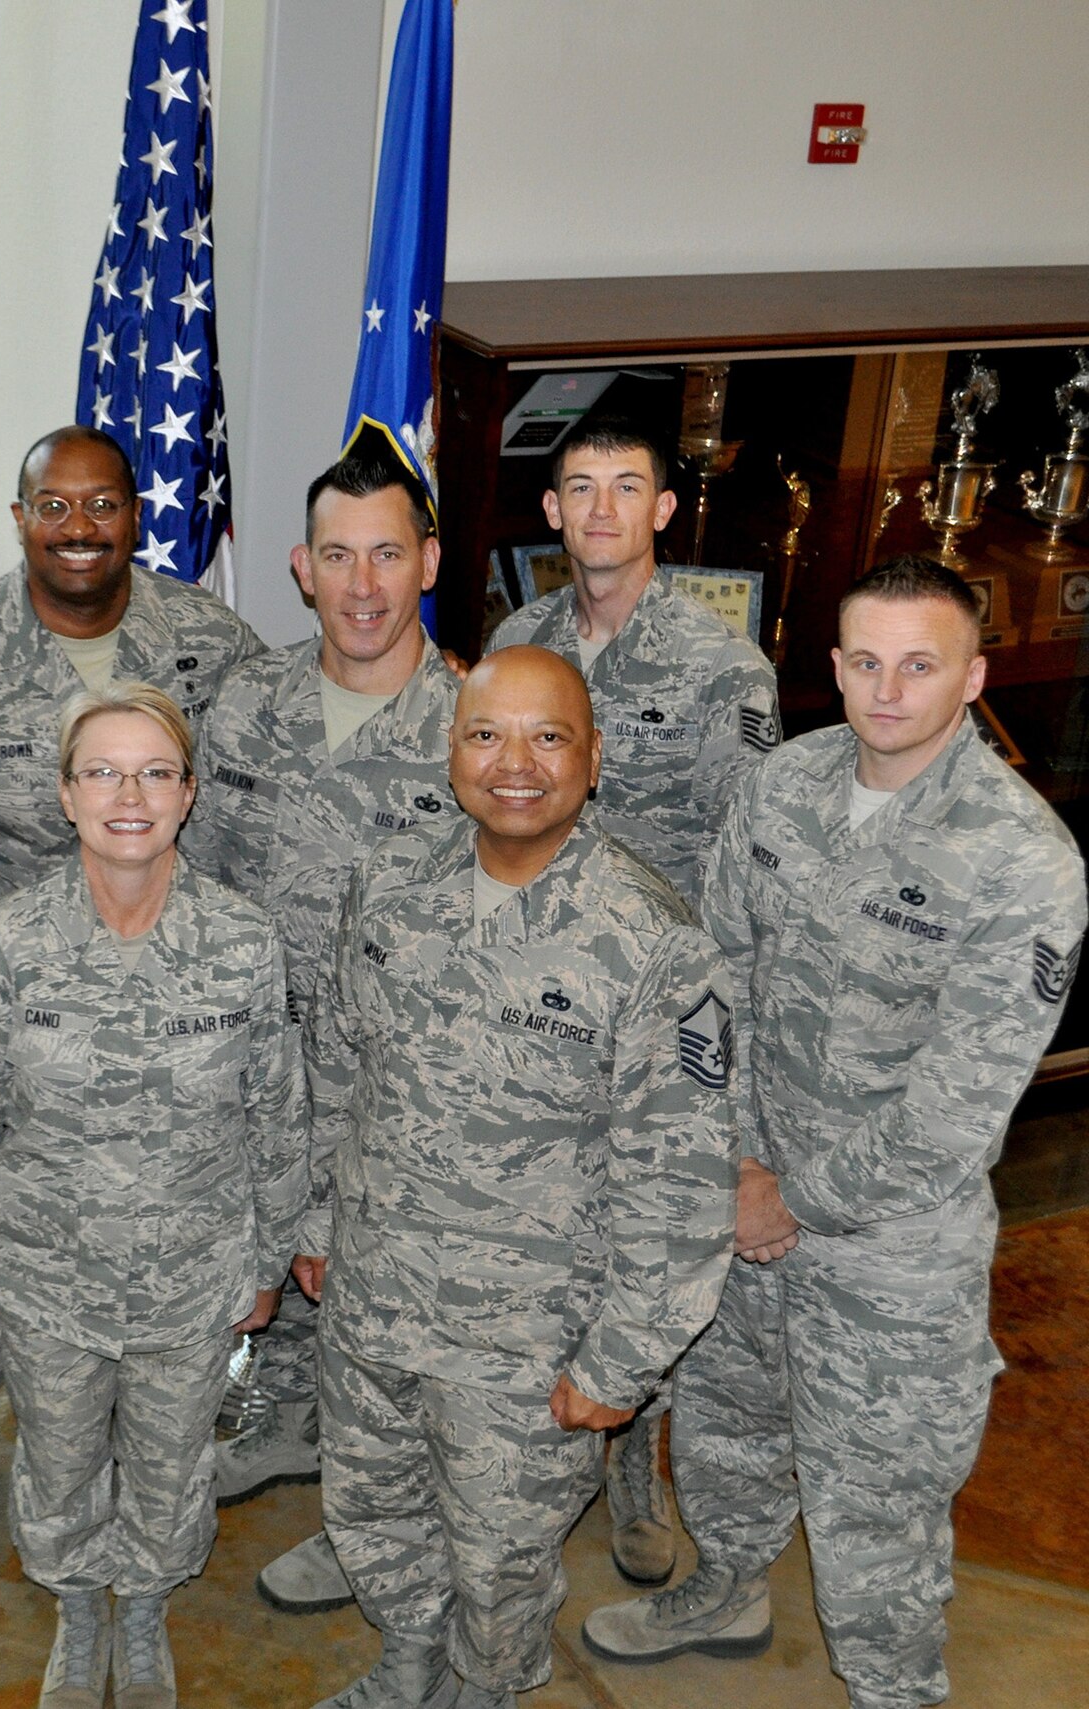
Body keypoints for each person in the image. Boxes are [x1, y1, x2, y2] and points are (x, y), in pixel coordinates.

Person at [583, 558, 1088, 1709]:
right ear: (832, 666)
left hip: (886, 1253)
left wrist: (787, 1196)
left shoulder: (1021, 860)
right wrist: (732, 1161)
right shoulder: (785, 786)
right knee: (722, 1427)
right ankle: (724, 1586)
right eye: (864, 661)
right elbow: (714, 978)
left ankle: (889, 1686)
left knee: (875, 1503)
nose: (887, 690)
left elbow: (955, 1111)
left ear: (971, 676)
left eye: (919, 664)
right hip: (742, 1182)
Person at [304, 647, 738, 1709]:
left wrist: (620, 1361)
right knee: (369, 1505)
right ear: (447, 749)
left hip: (526, 1334)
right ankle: (407, 1659)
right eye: (484, 733)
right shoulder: (390, 880)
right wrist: (316, 1219)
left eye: (547, 736)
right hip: (374, 1289)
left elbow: (678, 1179)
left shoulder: (651, 938)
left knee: (497, 1560)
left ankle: (481, 1688)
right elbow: (334, 1061)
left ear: (592, 760)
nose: (513, 762)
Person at [0, 423, 266, 1569]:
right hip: (12, 986)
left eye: (100, 504)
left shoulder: (206, 637)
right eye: (51, 506)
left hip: (173, 974)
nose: (77, 527)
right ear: (17, 519)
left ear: (135, 514)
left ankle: (162, 1488)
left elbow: (277, 747)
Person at [0, 683, 309, 1709]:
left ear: (188, 793)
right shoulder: (12, 941)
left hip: (192, 1277)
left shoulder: (241, 942)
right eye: (101, 770)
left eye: (153, 770)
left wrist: (267, 1262)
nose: (127, 793)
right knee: (52, 1459)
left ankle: (141, 1610)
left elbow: (278, 1115)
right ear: (63, 794)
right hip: (46, 1273)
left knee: (167, 1463)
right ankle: (76, 1608)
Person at [486, 418, 780, 1584]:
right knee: (536, 1215)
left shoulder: (723, 671)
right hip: (531, 991)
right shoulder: (519, 639)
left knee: (640, 1231)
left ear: (663, 511)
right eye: (577, 488)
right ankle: (520, 1431)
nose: (599, 507)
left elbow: (744, 872)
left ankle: (629, 1455)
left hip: (654, 1002)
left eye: (625, 487)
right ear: (550, 514)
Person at [183, 450, 464, 1615]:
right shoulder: (249, 701)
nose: (361, 583)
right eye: (337, 554)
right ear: (300, 569)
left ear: (428, 564)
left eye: (386, 553)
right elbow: (200, 879)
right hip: (267, 1063)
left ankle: (375, 1520)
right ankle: (291, 1424)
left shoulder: (471, 725)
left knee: (381, 1309)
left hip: (401, 1085)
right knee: (290, 1258)